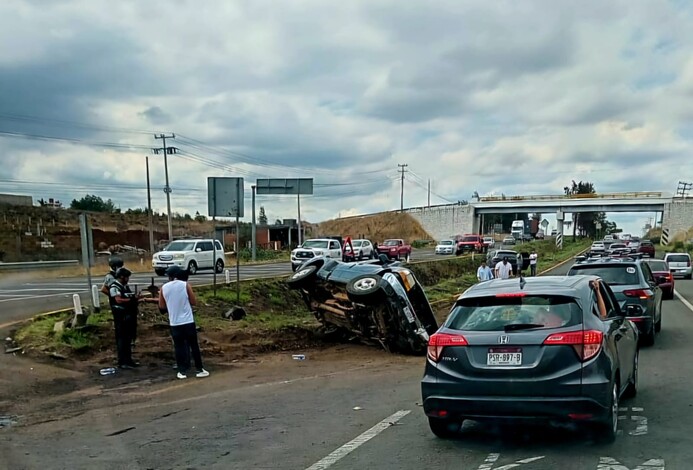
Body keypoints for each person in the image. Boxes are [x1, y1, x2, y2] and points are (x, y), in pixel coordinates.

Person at [159, 265, 209, 380]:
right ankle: (199, 369)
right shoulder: (185, 285)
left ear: (170, 277)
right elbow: (193, 301)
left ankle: (182, 371)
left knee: (179, 346)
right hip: (188, 321)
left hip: (175, 322)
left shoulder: (163, 288)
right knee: (194, 345)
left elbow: (161, 306)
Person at [109, 267, 140, 369]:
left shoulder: (124, 286)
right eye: (127, 277)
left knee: (128, 339)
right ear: (122, 277)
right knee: (122, 339)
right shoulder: (115, 287)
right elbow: (118, 300)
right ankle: (123, 362)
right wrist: (131, 300)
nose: (128, 279)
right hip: (121, 317)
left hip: (128, 317)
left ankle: (128, 360)